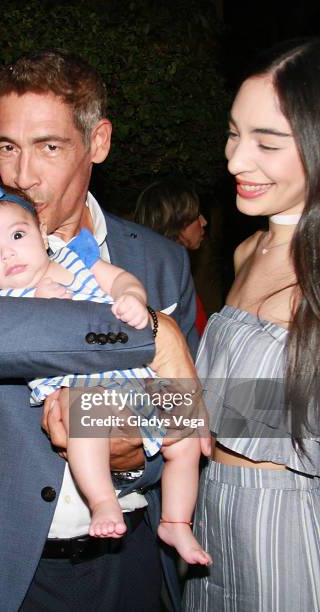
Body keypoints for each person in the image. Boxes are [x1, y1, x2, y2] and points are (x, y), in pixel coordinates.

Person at [0, 48, 205, 612]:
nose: (20, 174)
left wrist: (135, 454)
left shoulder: (162, 261)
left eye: (48, 146)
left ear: (97, 143)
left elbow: (191, 409)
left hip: (127, 565)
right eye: (6, 147)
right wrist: (148, 336)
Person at [0, 176, 212, 563]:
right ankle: (103, 500)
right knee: (85, 420)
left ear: (42, 232)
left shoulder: (75, 260)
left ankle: (176, 521)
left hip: (133, 377)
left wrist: (131, 297)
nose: (8, 255)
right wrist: (42, 308)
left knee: (186, 438)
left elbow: (119, 278)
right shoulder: (1, 299)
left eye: (18, 236)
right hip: (77, 386)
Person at [183, 38, 320, 612]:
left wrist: (102, 412)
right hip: (208, 510)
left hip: (284, 522)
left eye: (267, 141)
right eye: (235, 133)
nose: (236, 160)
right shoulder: (246, 251)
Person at [135, 178, 208, 333]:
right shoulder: (163, 281)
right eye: (196, 216)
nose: (204, 222)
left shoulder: (164, 271)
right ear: (176, 222)